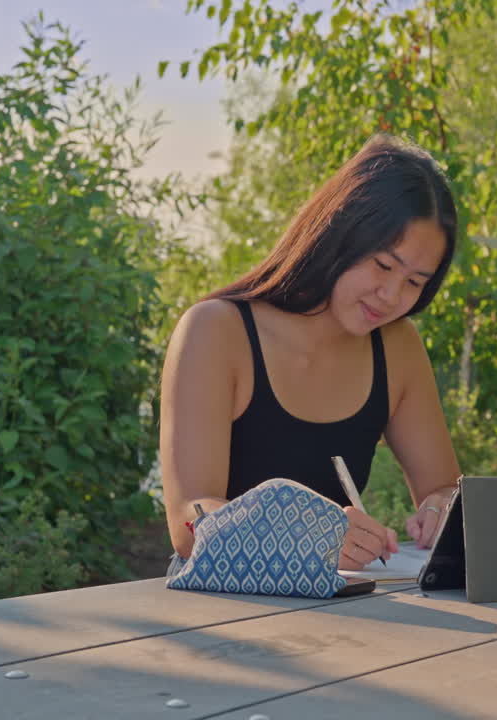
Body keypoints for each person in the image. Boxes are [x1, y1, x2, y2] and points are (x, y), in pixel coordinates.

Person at [159, 134, 462, 571]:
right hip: (219, 604)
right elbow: (190, 518)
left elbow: (444, 487)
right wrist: (306, 536)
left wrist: (442, 509)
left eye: (415, 282)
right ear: (340, 232)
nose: (392, 294)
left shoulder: (397, 347)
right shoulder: (216, 330)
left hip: (335, 605)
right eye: (383, 265)